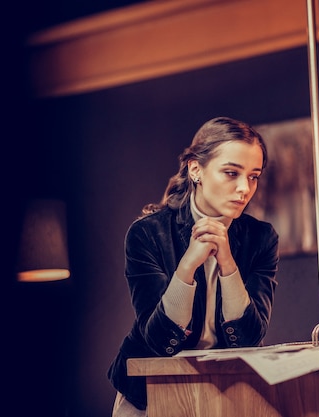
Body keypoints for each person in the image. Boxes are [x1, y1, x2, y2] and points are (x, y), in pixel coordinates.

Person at [107, 116, 280, 416]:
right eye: (231, 173)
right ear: (196, 169)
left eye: (253, 176)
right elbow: (160, 340)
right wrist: (187, 265)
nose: (245, 188)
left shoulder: (261, 238)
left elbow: (250, 338)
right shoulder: (146, 234)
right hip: (147, 395)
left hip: (221, 393)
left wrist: (228, 264)